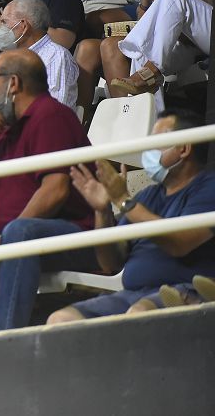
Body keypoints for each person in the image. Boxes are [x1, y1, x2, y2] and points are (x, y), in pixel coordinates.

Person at [0, 49, 95, 332]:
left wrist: (6, 239)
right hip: (11, 239)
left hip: (75, 235)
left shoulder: (51, 115)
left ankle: (2, 340)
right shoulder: (5, 130)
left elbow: (55, 190)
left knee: (21, 235)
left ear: (14, 83)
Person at [48, 112, 215, 324]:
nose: (148, 152)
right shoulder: (147, 195)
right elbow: (110, 262)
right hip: (132, 293)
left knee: (138, 315)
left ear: (183, 148)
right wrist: (102, 211)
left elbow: (179, 243)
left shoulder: (208, 187)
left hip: (180, 289)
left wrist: (123, 199)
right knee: (60, 319)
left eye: (156, 143)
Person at [0, 0, 79, 109]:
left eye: (4, 22)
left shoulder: (56, 56)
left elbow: (51, 111)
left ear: (23, 26)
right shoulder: (9, 60)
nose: (1, 29)